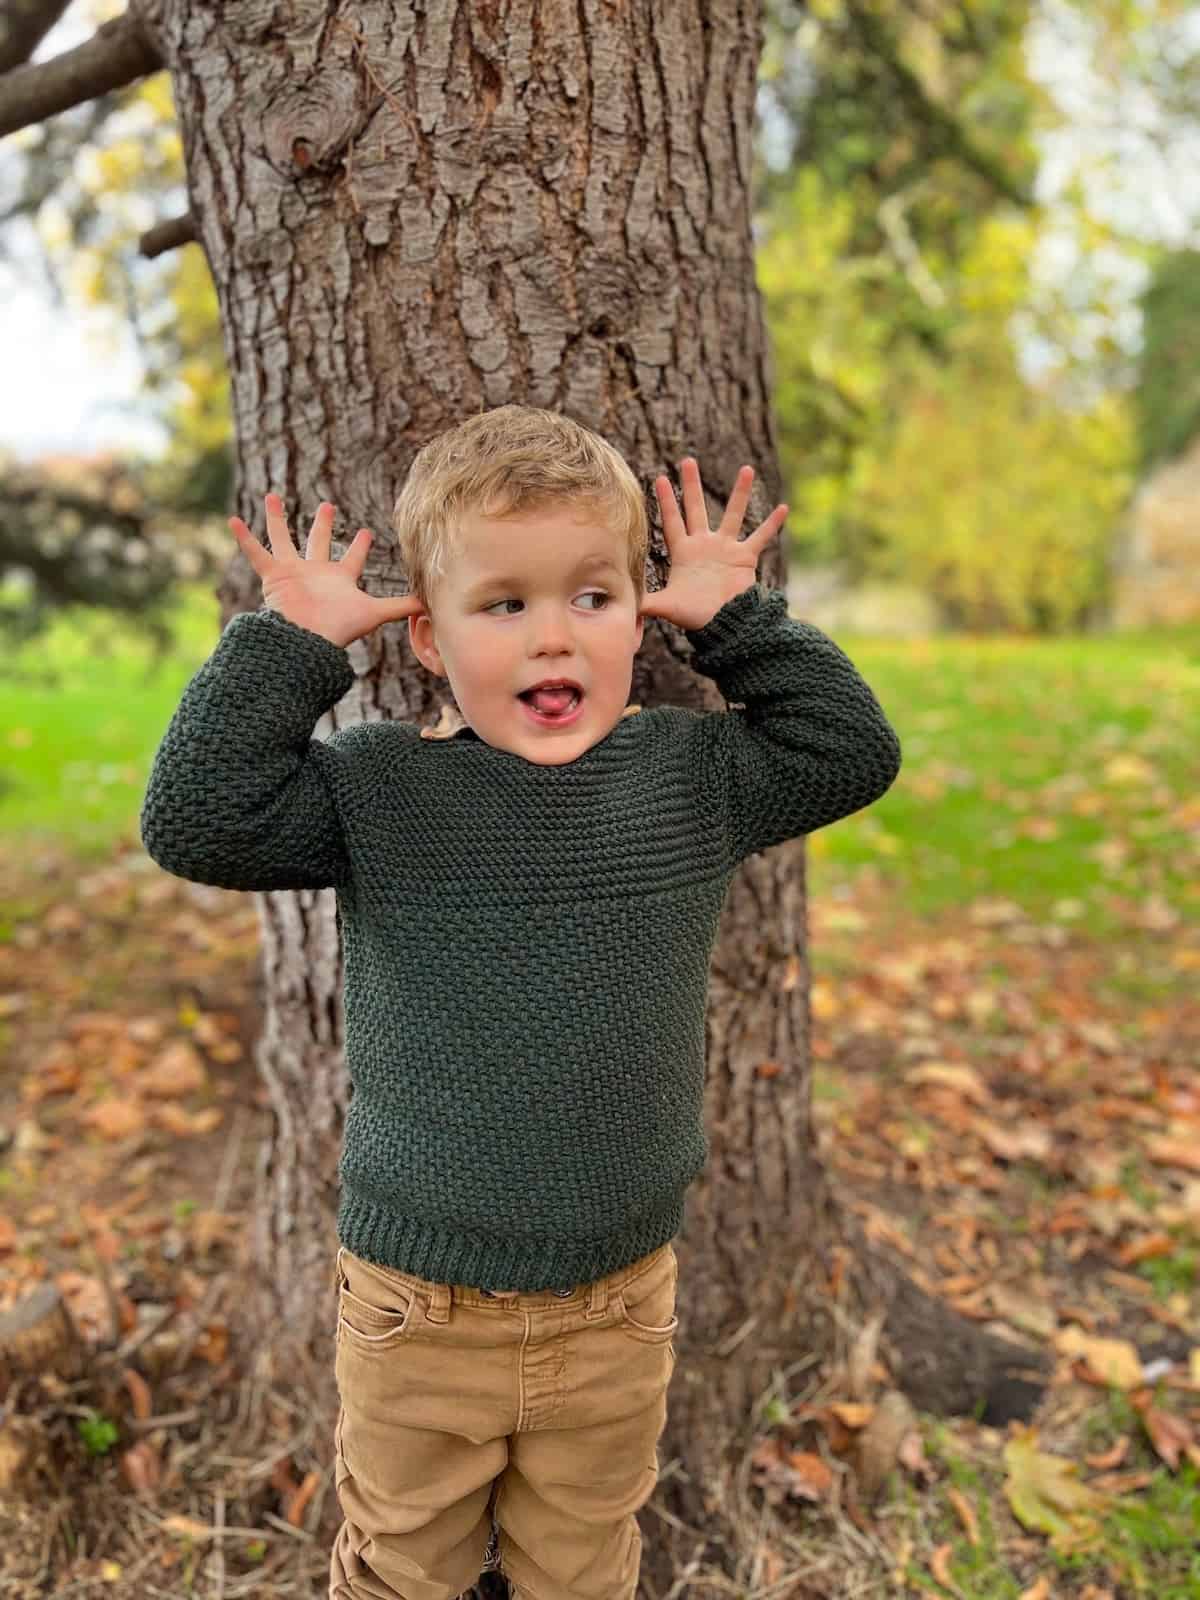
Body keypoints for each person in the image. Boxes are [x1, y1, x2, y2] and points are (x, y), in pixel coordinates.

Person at [140, 404, 902, 1600]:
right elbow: (195, 819)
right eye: (504, 605)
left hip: (618, 1299)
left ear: (638, 618)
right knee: (402, 1566)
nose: (554, 638)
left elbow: (851, 750)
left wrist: (733, 619)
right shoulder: (380, 789)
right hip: (418, 1309)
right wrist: (290, 645)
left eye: (591, 599)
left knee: (583, 1564)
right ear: (432, 640)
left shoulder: (691, 776)